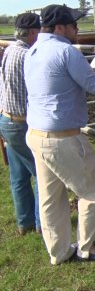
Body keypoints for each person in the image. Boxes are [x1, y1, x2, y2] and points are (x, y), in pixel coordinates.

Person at [24, 4, 95, 265]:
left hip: (36, 134)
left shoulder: (33, 51)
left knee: (50, 197)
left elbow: (62, 80)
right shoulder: (66, 51)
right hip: (63, 139)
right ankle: (88, 248)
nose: (77, 29)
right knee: (92, 191)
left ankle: (58, 252)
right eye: (73, 25)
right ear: (60, 27)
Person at [0, 13, 41, 236]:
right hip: (21, 123)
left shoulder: (9, 50)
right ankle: (41, 224)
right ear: (33, 32)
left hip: (6, 119)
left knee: (18, 176)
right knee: (43, 175)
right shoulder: (28, 55)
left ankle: (24, 223)